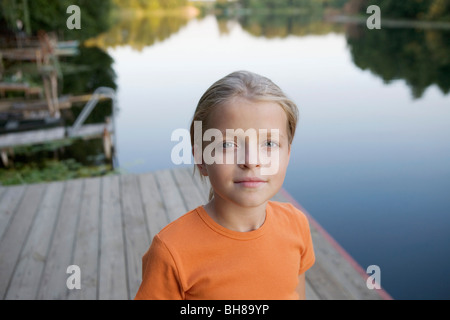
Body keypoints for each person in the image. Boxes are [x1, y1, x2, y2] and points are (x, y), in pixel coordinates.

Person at [135, 70, 315, 300]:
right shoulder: (171, 251)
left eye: (269, 143)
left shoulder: (296, 225)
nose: (251, 161)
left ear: (287, 154)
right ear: (201, 158)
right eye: (228, 144)